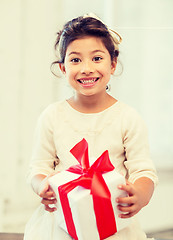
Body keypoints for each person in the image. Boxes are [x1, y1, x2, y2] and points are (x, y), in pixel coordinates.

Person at [24, 13, 158, 240]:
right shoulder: (52, 116)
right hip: (61, 222)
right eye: (75, 60)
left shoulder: (127, 117)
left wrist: (141, 194)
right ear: (63, 68)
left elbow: (143, 170)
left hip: (112, 220)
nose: (86, 68)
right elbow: (38, 167)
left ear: (113, 64)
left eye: (97, 58)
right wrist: (42, 185)